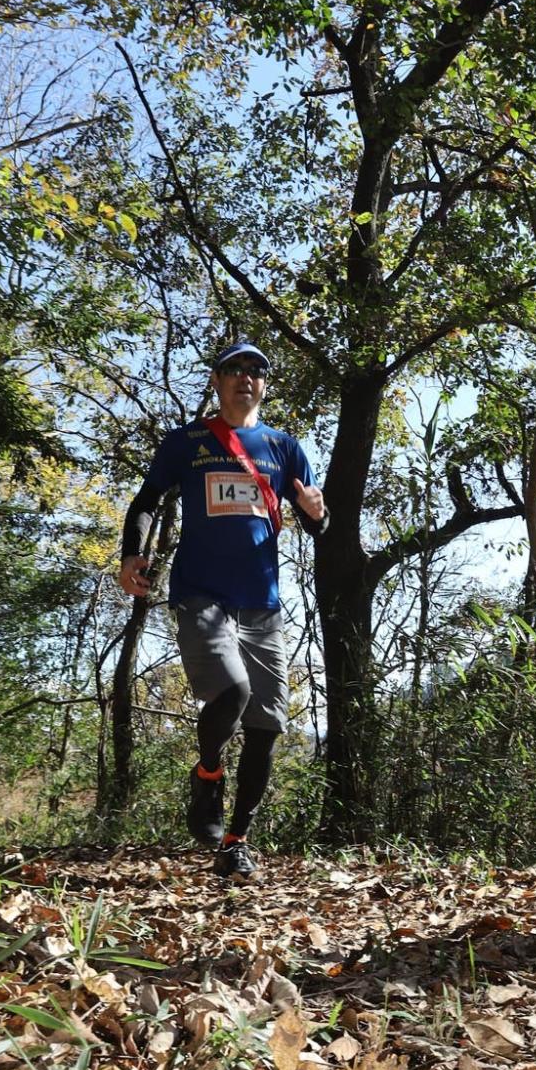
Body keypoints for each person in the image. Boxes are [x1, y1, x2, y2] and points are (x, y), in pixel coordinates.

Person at [118, 338, 327, 878]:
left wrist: (315, 513)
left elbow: (315, 522)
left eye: (255, 371)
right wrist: (132, 555)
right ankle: (207, 775)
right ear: (216, 381)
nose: (245, 379)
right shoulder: (188, 442)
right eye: (233, 370)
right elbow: (146, 501)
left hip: (263, 603)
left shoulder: (283, 447)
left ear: (263, 384)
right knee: (233, 692)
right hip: (201, 593)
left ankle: (235, 842)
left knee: (267, 724)